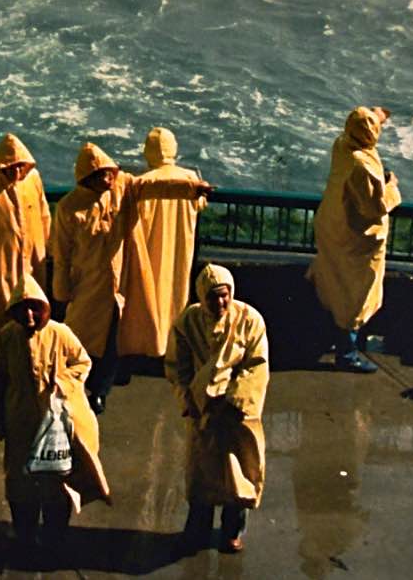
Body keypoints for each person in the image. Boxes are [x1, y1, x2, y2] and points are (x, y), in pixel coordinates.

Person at [50, 140, 212, 413]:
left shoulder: (122, 187)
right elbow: (62, 253)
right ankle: (74, 382)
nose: (107, 179)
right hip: (86, 283)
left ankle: (100, 390)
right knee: (80, 336)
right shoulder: (69, 208)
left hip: (117, 283)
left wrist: (191, 189)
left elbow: (154, 187)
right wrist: (62, 289)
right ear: (87, 178)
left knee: (113, 338)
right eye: (101, 175)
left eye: (109, 173)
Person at [0, 275, 110, 554]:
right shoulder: (7, 337)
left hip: (57, 425)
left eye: (34, 308)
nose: (29, 315)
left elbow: (82, 362)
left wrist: (63, 383)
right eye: (22, 309)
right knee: (21, 482)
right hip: (21, 422)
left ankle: (55, 537)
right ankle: (25, 536)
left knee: (56, 481)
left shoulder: (60, 333)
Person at [165, 263, 269, 555]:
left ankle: (232, 531)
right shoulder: (188, 322)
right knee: (201, 473)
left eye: (224, 296)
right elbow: (177, 367)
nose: (219, 303)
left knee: (239, 474)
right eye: (212, 297)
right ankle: (196, 530)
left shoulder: (250, 321)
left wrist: (236, 402)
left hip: (237, 413)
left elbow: (256, 366)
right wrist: (188, 400)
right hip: (203, 411)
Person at [308, 106, 401, 372]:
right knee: (355, 295)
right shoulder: (363, 166)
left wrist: (377, 115)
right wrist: (392, 186)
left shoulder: (342, 144)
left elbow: (362, 124)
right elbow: (374, 206)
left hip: (333, 226)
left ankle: (335, 340)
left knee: (333, 283)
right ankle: (347, 353)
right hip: (355, 240)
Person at [119, 126, 207, 361]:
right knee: (176, 293)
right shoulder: (190, 178)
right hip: (181, 246)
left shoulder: (140, 182)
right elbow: (201, 205)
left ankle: (150, 344)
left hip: (148, 248)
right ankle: (173, 345)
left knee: (149, 296)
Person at [0, 133, 51, 329]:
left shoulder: (33, 180)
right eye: (11, 167)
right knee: (5, 309)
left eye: (21, 166)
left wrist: (50, 248)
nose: (17, 170)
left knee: (36, 307)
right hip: (3, 263)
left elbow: (44, 214)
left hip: (34, 261)